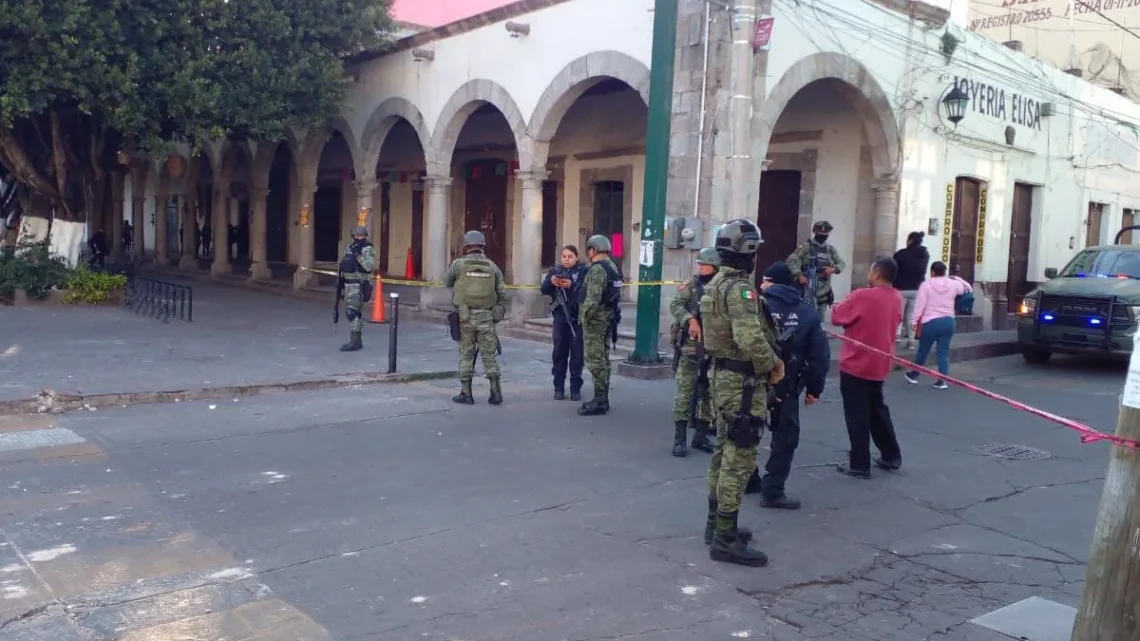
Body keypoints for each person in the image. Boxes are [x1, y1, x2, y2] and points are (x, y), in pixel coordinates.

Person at [701, 219, 784, 567]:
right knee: (739, 457)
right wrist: (773, 365)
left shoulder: (717, 283)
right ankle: (724, 538)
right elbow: (751, 338)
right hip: (743, 384)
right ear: (748, 251)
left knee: (724, 451)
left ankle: (715, 525)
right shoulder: (739, 290)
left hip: (722, 377)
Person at [742, 262, 831, 509]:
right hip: (788, 384)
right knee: (785, 437)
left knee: (747, 430)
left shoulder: (753, 307)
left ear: (771, 282)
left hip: (751, 382)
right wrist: (815, 389)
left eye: (764, 281)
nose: (761, 285)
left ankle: (749, 479)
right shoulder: (807, 312)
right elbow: (819, 357)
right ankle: (772, 491)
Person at [830, 256, 904, 479]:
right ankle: (891, 454)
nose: (868, 274)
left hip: (857, 362)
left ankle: (859, 463)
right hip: (881, 362)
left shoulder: (863, 295)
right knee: (877, 409)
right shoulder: (897, 297)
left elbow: (837, 316)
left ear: (878, 274)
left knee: (857, 413)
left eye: (871, 270)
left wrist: (841, 303)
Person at [444, 230, 508, 405]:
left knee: (466, 355)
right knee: (489, 355)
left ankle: (466, 393)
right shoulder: (493, 266)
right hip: (486, 317)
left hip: (464, 317)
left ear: (466, 247)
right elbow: (503, 293)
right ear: (483, 246)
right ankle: (496, 393)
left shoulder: (458, 265)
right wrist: (498, 311)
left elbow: (446, 281)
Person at [667, 247, 720, 457]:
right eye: (699, 264)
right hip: (691, 346)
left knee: (709, 393)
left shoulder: (723, 286)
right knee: (685, 392)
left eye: (704, 264)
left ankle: (701, 436)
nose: (700, 267)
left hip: (715, 347)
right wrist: (690, 320)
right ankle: (680, 438)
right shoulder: (693, 284)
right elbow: (676, 304)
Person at [906, 261, 971, 389]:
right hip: (948, 322)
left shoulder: (926, 285)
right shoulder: (953, 284)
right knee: (943, 353)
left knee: (923, 351)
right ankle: (942, 381)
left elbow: (920, 305)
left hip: (930, 322)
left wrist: (914, 321)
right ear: (944, 272)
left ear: (932, 272)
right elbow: (967, 288)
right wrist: (957, 278)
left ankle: (914, 375)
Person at [577, 235, 622, 416]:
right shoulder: (613, 267)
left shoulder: (597, 270)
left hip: (595, 321)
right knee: (603, 359)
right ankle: (602, 397)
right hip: (608, 318)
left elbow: (592, 300)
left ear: (592, 250)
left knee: (595, 360)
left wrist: (582, 318)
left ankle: (600, 400)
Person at [541, 245, 587, 401]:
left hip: (577, 318)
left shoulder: (583, 272)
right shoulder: (555, 271)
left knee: (577, 355)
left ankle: (575, 389)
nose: (567, 260)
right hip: (560, 318)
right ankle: (558, 388)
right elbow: (544, 289)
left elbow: (587, 292)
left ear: (576, 257)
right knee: (559, 353)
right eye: (564, 257)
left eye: (570, 256)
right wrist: (551, 281)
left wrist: (571, 285)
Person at [787, 220, 846, 319]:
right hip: (808, 290)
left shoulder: (830, 249)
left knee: (819, 322)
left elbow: (842, 263)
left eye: (825, 233)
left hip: (824, 292)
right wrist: (799, 275)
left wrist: (833, 269)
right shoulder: (806, 247)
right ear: (815, 231)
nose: (823, 235)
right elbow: (791, 261)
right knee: (807, 319)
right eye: (821, 232)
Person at [337, 226, 377, 352]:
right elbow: (345, 264)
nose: (359, 238)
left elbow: (369, 267)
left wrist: (359, 256)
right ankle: (357, 340)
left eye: (361, 236)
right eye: (357, 236)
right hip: (349, 284)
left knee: (352, 312)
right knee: (353, 312)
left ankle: (355, 341)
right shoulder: (350, 247)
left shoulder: (367, 249)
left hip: (358, 284)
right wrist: (341, 282)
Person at [893, 231, 930, 349]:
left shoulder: (901, 254)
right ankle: (911, 341)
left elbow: (893, 270)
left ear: (910, 240)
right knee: (910, 316)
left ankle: (896, 338)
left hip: (901, 288)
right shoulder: (925, 255)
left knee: (898, 314)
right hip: (917, 289)